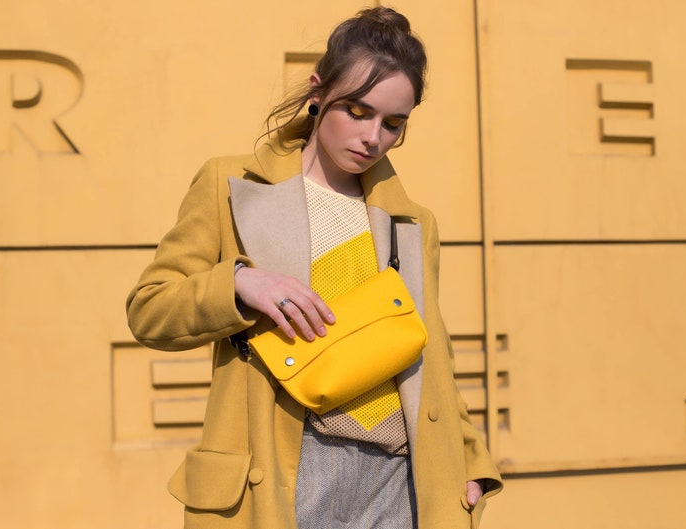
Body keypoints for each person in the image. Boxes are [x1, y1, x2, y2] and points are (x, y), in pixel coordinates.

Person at [126, 6, 503, 529]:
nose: (373, 137)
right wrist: (239, 284)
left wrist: (472, 461)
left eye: (394, 124)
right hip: (286, 468)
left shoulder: (413, 222)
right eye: (357, 110)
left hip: (403, 479)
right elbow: (149, 309)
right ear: (318, 90)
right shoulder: (230, 186)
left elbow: (430, 350)